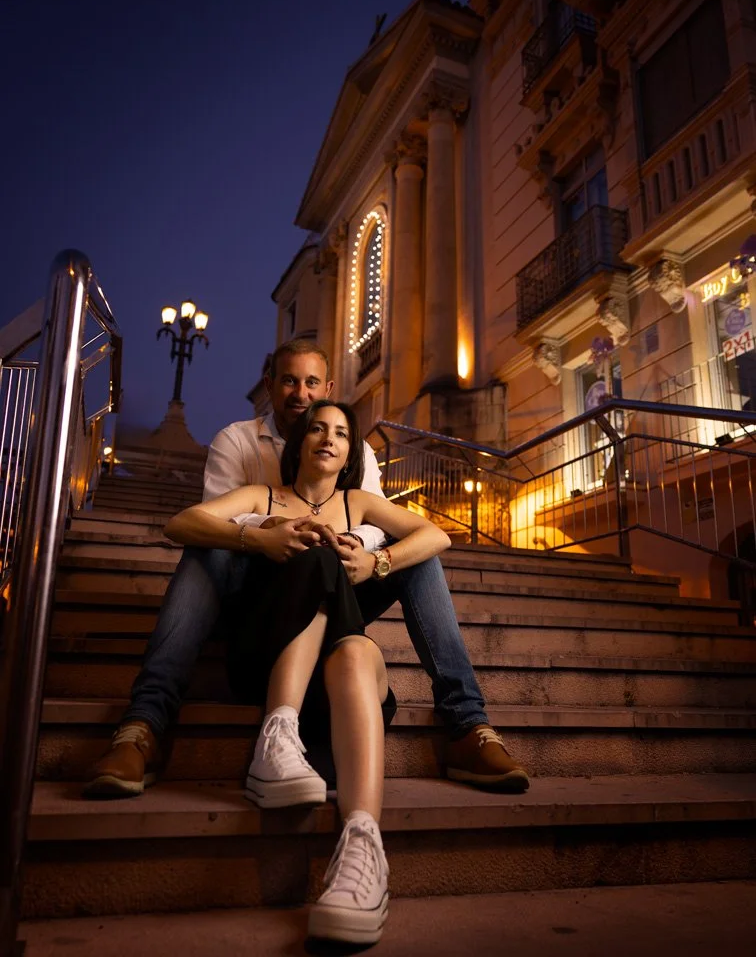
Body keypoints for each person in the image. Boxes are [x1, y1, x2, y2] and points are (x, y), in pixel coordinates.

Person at [84, 338, 529, 798]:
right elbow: (194, 523)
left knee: (416, 558)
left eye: (312, 383)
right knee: (208, 548)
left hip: (340, 588)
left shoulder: (357, 472)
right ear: (271, 387)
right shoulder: (239, 445)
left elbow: (411, 530)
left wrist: (370, 556)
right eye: (290, 382)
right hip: (255, 595)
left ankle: (467, 724)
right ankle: (144, 725)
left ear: (329, 391)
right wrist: (264, 533)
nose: (302, 394)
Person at [162, 399, 449, 943]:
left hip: (342, 689)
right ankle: (278, 733)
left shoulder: (359, 503)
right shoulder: (262, 496)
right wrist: (257, 537)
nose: (329, 438)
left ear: (349, 452)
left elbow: (436, 535)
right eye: (318, 428)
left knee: (358, 651)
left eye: (341, 432)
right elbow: (180, 523)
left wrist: (376, 561)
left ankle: (362, 848)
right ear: (299, 443)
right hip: (269, 662)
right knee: (317, 561)